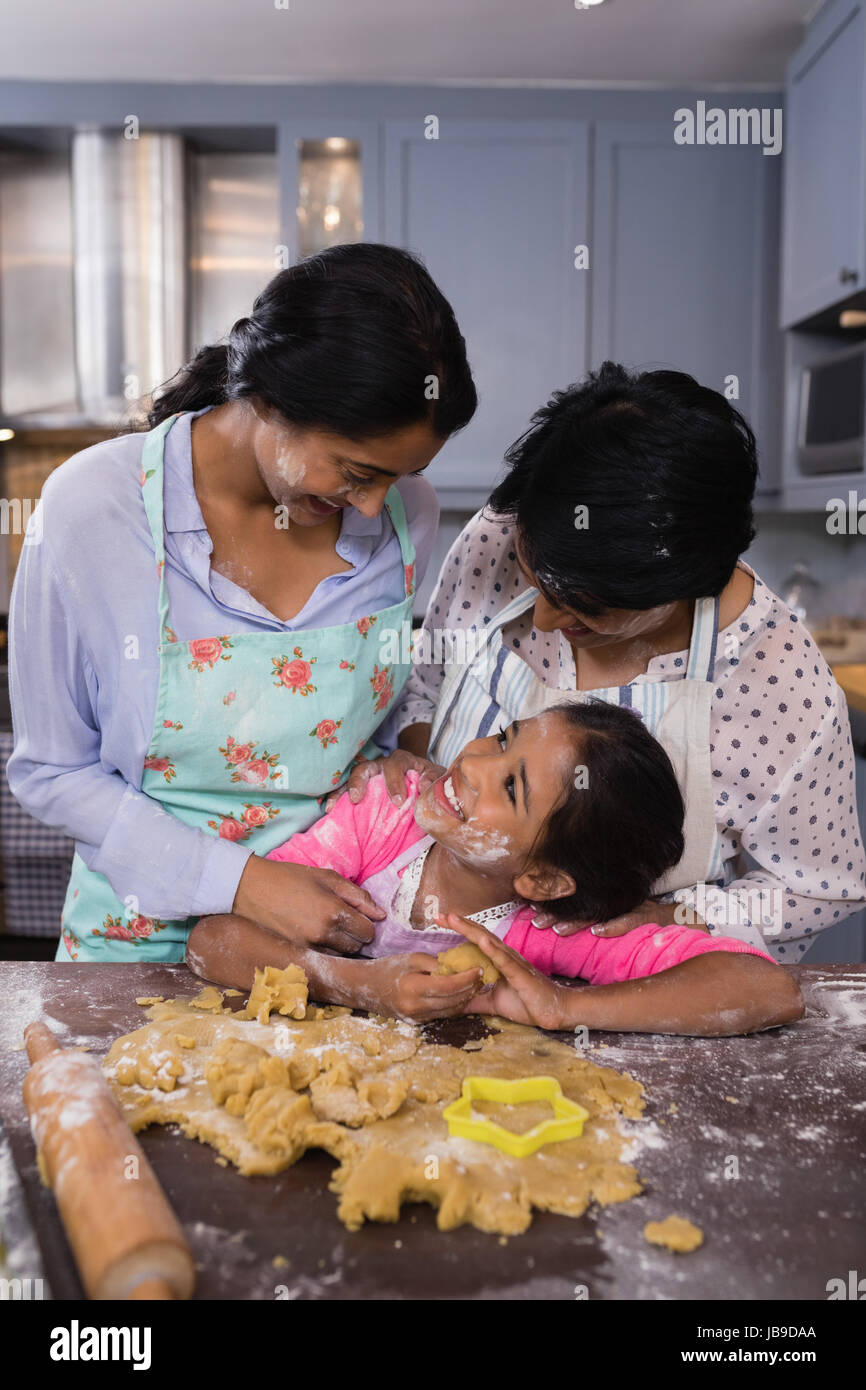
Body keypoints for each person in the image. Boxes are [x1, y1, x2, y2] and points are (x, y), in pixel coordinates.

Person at [8, 243, 477, 962]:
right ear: (267, 398)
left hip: (341, 943)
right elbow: (53, 772)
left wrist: (399, 764)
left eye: (400, 475)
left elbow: (383, 718)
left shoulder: (402, 512)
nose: (377, 502)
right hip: (136, 951)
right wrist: (247, 885)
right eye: (356, 472)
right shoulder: (94, 508)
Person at [349, 363, 866, 961]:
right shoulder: (503, 534)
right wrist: (419, 774)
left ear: (687, 586)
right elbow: (426, 689)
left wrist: (673, 914)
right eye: (533, 575)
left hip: (617, 984)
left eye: (584, 610)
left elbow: (818, 890)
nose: (539, 619)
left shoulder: (779, 687)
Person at [188, 702, 803, 1035]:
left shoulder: (547, 929)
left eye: (511, 788)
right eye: (505, 737)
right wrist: (359, 987)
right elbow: (212, 941)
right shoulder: (381, 817)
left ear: (543, 882)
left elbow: (765, 990)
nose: (476, 761)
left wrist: (567, 1008)